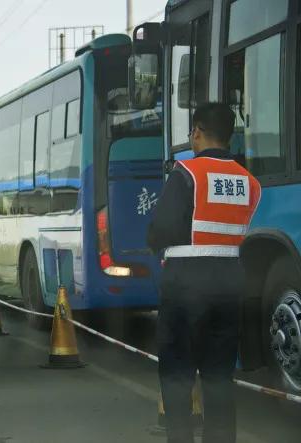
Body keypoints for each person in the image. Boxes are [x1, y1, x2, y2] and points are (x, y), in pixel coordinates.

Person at [147, 103, 261, 443]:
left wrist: (158, 247)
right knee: (219, 376)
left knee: (177, 372)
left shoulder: (186, 173)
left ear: (197, 131)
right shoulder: (250, 182)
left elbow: (160, 230)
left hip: (185, 281)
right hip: (229, 281)